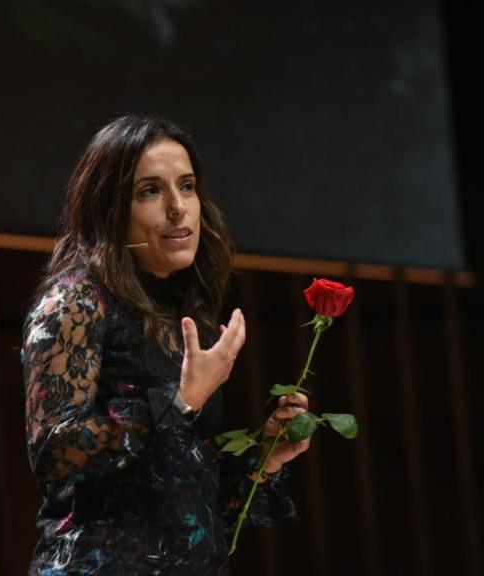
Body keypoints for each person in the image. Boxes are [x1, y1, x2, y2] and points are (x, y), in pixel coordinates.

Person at [21, 115, 312, 575]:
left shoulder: (182, 309)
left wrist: (264, 458)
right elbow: (54, 453)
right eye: (150, 191)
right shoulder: (76, 299)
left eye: (188, 186)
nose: (179, 208)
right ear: (110, 209)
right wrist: (179, 401)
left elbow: (185, 496)